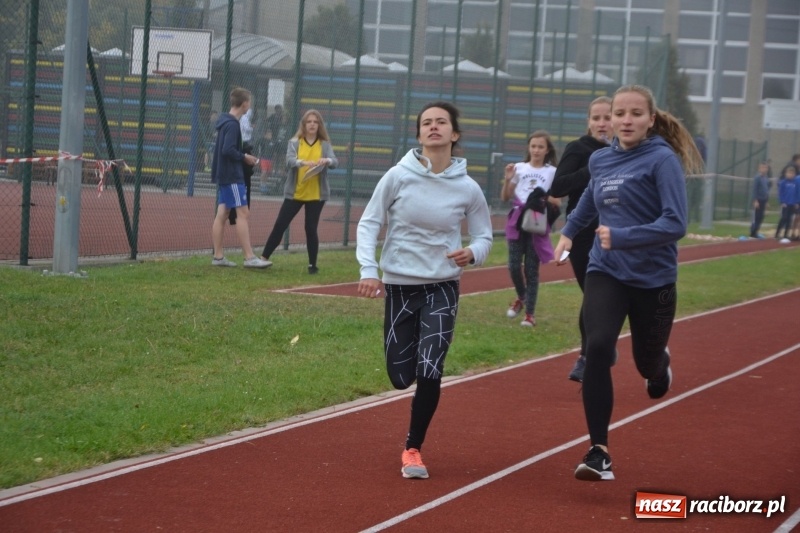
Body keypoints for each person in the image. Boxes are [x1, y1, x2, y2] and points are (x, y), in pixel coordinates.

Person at [552, 84, 704, 481]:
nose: (625, 120)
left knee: (645, 364)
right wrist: (568, 233)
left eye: (636, 113)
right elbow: (590, 198)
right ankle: (598, 452)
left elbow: (676, 223)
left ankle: (659, 365)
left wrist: (623, 236)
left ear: (651, 119)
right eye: (619, 113)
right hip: (606, 269)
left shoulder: (662, 160)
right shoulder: (601, 159)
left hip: (654, 278)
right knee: (598, 346)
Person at [356, 101, 493, 480]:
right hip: (400, 287)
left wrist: (473, 253)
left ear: (454, 133)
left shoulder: (468, 187)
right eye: (427, 122)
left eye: (441, 122)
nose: (434, 127)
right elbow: (369, 223)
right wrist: (369, 270)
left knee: (431, 367)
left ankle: (413, 449)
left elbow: (484, 235)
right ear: (418, 134)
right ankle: (415, 363)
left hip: (442, 286)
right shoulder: (397, 177)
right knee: (401, 377)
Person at [550, 96, 612, 382]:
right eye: (596, 118)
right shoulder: (579, 148)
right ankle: (587, 357)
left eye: (607, 117)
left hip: (619, 234)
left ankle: (601, 347)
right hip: (584, 235)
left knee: (609, 299)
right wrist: (594, 168)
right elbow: (558, 186)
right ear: (589, 122)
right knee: (594, 296)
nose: (602, 123)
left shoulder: (628, 151)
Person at [259, 109, 337, 274]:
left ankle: (312, 265)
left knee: (310, 228)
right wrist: (302, 162)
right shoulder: (295, 142)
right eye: (309, 122)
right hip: (295, 193)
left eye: (315, 122)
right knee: (280, 224)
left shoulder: (324, 144)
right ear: (304, 124)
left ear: (319, 125)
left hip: (316, 195)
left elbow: (335, 162)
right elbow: (289, 161)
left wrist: (327, 160)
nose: (312, 125)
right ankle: (263, 258)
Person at [500, 130, 559, 327]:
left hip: (536, 221)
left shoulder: (552, 172)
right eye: (533, 146)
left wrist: (540, 197)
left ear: (547, 150)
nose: (536, 150)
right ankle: (522, 296)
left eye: (541, 147)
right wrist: (508, 179)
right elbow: (505, 197)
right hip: (517, 220)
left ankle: (530, 315)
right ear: (528, 147)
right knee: (513, 265)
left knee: (532, 270)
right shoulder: (519, 168)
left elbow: (557, 201)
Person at [210, 87, 271, 269]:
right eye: (249, 102)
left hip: (225, 174)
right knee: (243, 213)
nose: (249, 105)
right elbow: (227, 150)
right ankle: (249, 257)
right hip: (232, 176)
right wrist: (245, 157)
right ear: (244, 104)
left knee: (223, 213)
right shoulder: (232, 125)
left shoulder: (226, 122)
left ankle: (218, 257)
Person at [774, 164, 798, 242]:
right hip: (785, 204)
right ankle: (777, 233)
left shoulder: (795, 183)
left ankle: (786, 234)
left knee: (789, 220)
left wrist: (796, 202)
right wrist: (782, 202)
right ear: (786, 174)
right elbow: (781, 193)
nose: (790, 175)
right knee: (784, 218)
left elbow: (796, 193)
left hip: (792, 204)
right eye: (789, 173)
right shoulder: (783, 182)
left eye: (792, 173)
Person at [749, 161, 771, 239]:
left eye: (765, 168)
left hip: (764, 200)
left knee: (761, 217)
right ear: (759, 169)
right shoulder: (757, 178)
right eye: (762, 167)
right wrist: (755, 200)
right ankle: (753, 232)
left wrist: (767, 201)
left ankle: (756, 231)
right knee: (756, 217)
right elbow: (755, 189)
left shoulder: (766, 178)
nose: (764, 169)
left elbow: (766, 190)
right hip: (758, 200)